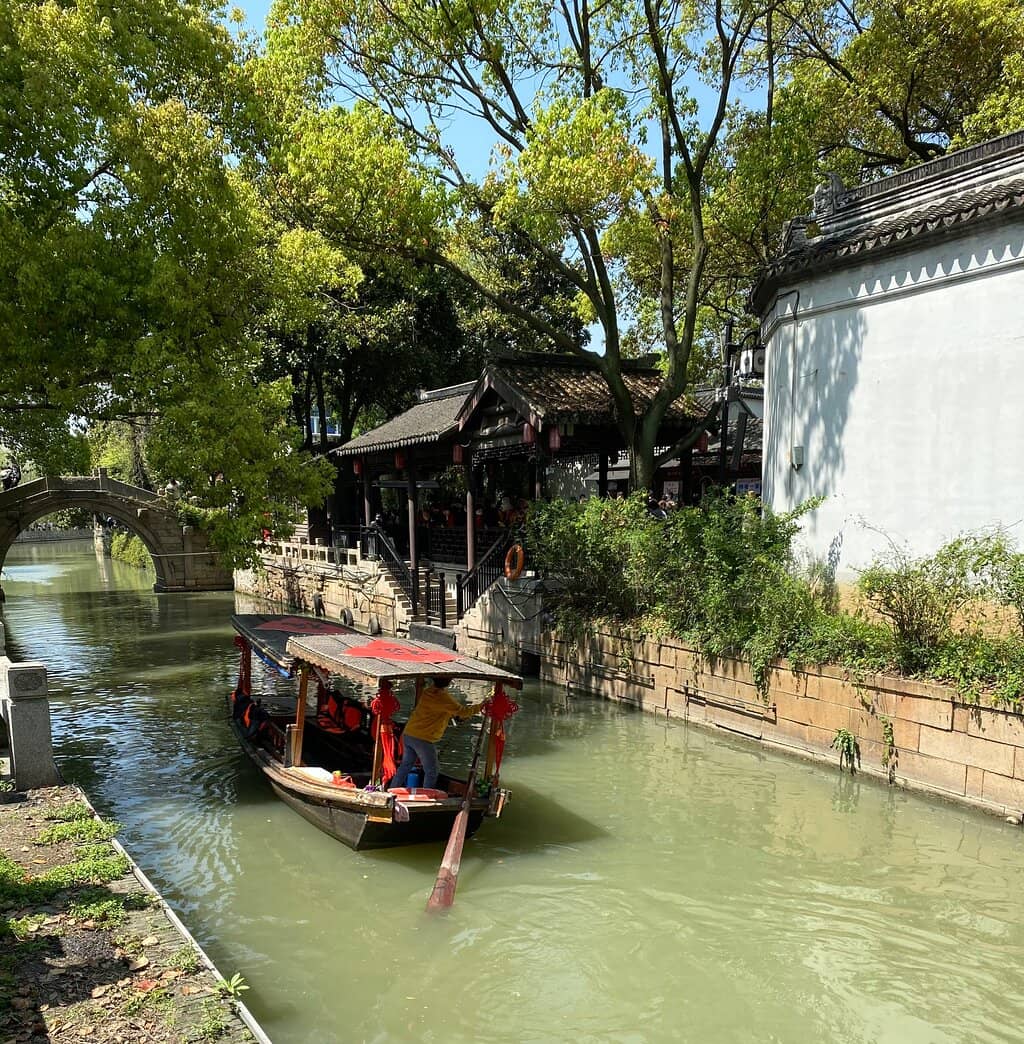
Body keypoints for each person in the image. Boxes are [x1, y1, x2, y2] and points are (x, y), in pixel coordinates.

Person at [389, 676, 486, 790]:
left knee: (405, 766)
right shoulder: (442, 697)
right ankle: (427, 797)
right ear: (448, 681)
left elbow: (440, 710)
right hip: (422, 738)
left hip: (409, 734)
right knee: (432, 771)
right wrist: (482, 705)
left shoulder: (428, 692)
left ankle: (392, 790)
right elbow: (463, 712)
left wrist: (452, 715)